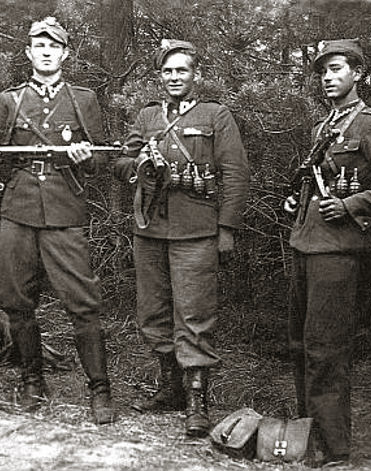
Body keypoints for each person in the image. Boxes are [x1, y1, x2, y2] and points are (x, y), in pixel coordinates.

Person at [284, 39, 371, 466]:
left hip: (342, 251)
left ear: (358, 73)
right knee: (300, 344)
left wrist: (350, 206)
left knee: (326, 348)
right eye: (323, 71)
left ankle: (333, 444)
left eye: (337, 68)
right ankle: (308, 434)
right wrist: (298, 201)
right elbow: (320, 182)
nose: (328, 77)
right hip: (307, 243)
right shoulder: (323, 127)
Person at [111, 39, 250, 437]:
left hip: (196, 229)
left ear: (195, 75)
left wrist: (227, 229)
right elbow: (120, 162)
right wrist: (138, 164)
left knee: (194, 314)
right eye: (168, 71)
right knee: (152, 311)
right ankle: (170, 388)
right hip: (150, 228)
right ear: (160, 76)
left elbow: (235, 173)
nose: (174, 77)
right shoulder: (147, 116)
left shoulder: (215, 115)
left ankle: (196, 400)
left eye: (182, 70)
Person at [0, 17, 116, 424]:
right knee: (16, 299)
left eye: (53, 46)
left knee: (83, 302)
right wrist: (17, 172)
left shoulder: (83, 99)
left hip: (63, 209)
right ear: (29, 53)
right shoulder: (10, 100)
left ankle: (100, 389)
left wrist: (83, 158)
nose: (46, 52)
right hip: (19, 208)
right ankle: (32, 381)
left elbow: (101, 161)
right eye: (39, 46)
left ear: (65, 54)